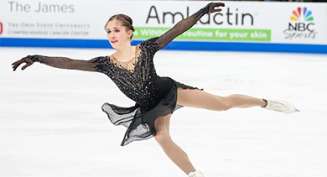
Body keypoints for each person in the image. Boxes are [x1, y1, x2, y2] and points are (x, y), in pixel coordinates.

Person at [11, 2, 298, 177]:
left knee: (222, 104)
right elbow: (70, 62)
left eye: (117, 30)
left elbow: (176, 29)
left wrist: (201, 12)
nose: (112, 35)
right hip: (149, 107)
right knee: (162, 137)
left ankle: (265, 102)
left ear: (129, 33)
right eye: (108, 31)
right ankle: (195, 173)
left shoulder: (146, 49)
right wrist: (39, 58)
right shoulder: (103, 64)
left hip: (169, 92)